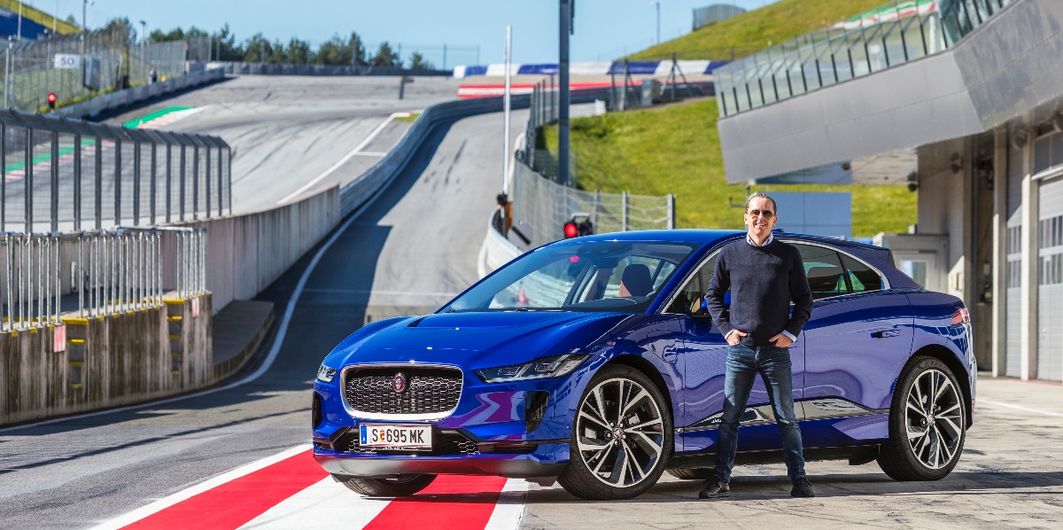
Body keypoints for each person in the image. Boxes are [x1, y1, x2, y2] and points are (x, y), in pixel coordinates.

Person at [699, 192, 815, 499]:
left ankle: (800, 479)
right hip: (741, 351)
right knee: (729, 419)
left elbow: (804, 299)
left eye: (766, 213)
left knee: (787, 418)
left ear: (774, 219)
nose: (759, 218)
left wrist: (791, 332)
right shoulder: (729, 253)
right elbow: (712, 295)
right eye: (755, 212)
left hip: (776, 352)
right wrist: (726, 330)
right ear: (745, 216)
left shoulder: (788, 255)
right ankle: (720, 480)